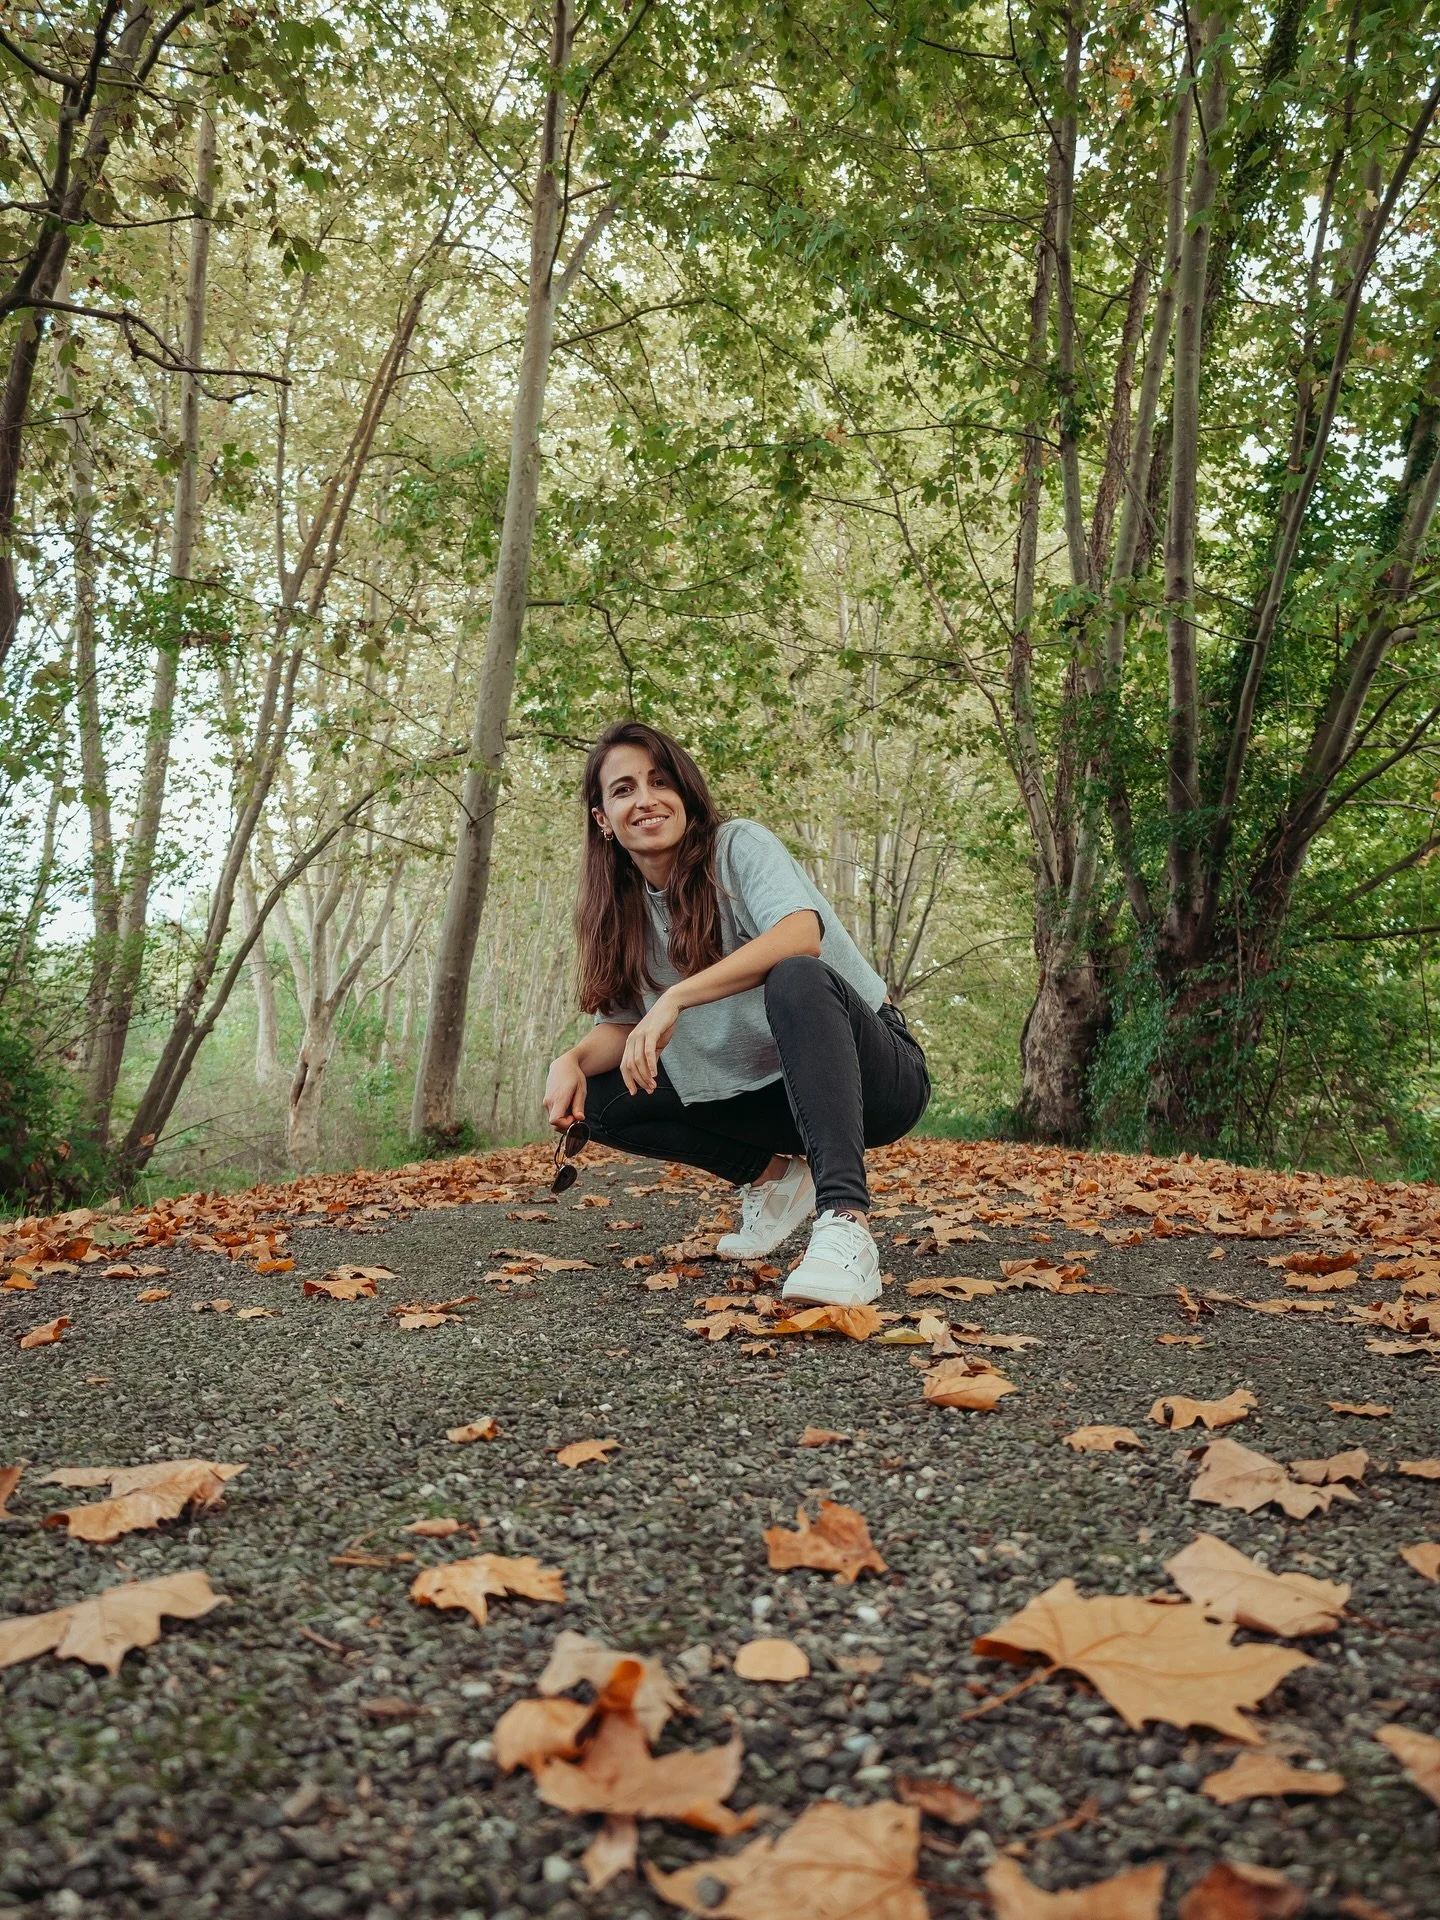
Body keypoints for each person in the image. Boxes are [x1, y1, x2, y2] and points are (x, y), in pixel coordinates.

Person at [542, 720, 931, 1307]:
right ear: (602, 819)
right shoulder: (616, 912)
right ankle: (774, 1180)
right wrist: (570, 1057)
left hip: (871, 1077)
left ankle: (845, 1225)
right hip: (764, 1098)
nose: (645, 799)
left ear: (684, 796)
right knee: (599, 1099)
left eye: (659, 781)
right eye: (623, 790)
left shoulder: (736, 846)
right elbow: (623, 1029)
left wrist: (675, 996)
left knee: (796, 976)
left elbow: (801, 936)